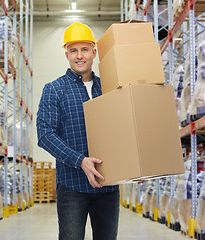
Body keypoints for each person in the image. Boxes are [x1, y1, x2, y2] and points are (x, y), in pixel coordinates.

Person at [36, 22, 120, 240]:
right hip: (72, 187)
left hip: (107, 186)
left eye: (84, 49)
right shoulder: (54, 89)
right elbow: (45, 134)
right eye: (73, 50)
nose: (79, 56)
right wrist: (80, 160)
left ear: (94, 52)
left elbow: (123, 130)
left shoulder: (109, 88)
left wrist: (133, 168)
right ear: (67, 55)